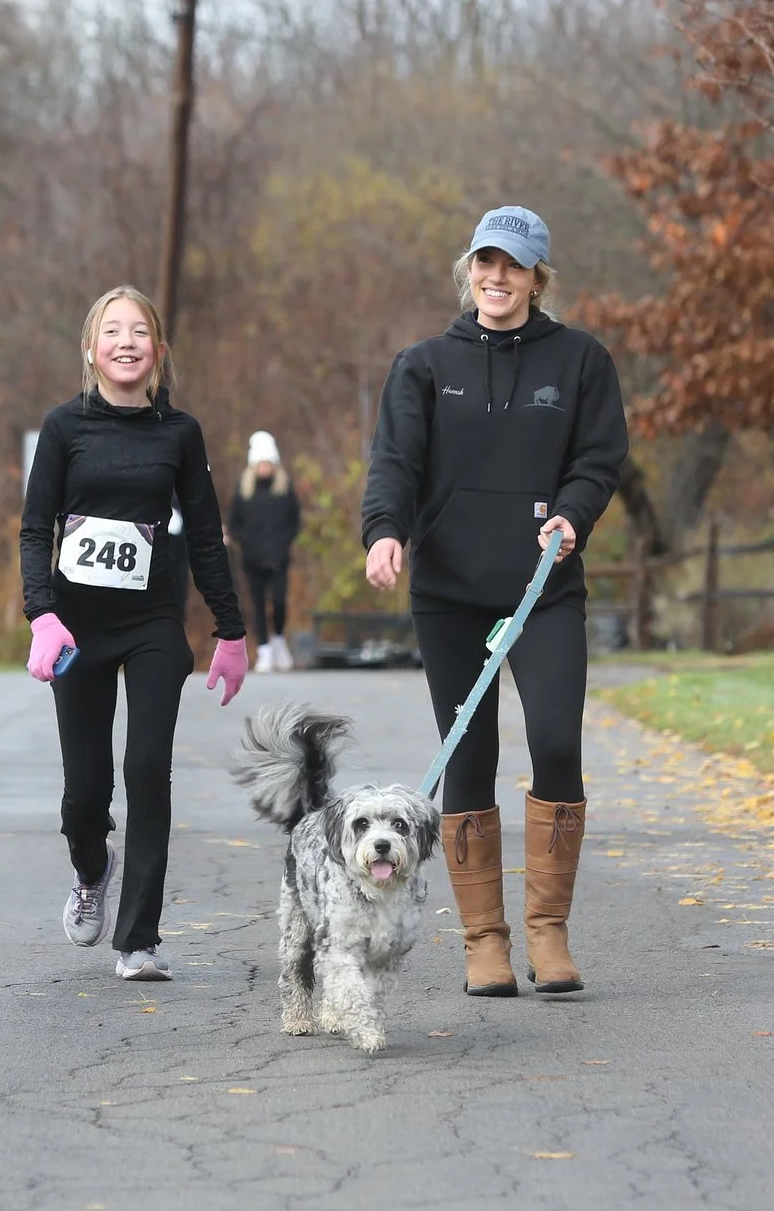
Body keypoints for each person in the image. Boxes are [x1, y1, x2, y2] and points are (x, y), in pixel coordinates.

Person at [360, 205, 627, 998]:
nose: (497, 277)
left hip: (542, 586)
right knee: (468, 757)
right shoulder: (423, 363)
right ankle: (485, 939)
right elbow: (395, 462)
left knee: (554, 740)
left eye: (513, 265)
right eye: (485, 262)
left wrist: (574, 515)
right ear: (469, 269)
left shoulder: (580, 360)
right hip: (450, 592)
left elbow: (601, 456)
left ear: (538, 276)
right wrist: (385, 531)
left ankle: (549, 933)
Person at [20, 285, 249, 983]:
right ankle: (93, 868)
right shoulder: (65, 429)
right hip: (77, 628)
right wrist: (42, 612)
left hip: (153, 623)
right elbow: (36, 529)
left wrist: (230, 630)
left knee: (147, 770)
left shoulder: (179, 434)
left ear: (157, 350)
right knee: (83, 794)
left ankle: (139, 939)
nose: (126, 342)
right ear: (91, 348)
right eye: (112, 331)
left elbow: (206, 537)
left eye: (139, 332)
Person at [227, 430, 302, 673]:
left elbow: (295, 520)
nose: (264, 468)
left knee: (279, 601)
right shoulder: (244, 490)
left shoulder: (283, 488)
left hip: (279, 556)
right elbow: (234, 522)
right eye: (261, 463)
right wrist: (246, 541)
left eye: (268, 463)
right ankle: (264, 649)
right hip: (253, 558)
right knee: (257, 604)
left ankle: (279, 639)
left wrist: (284, 541)